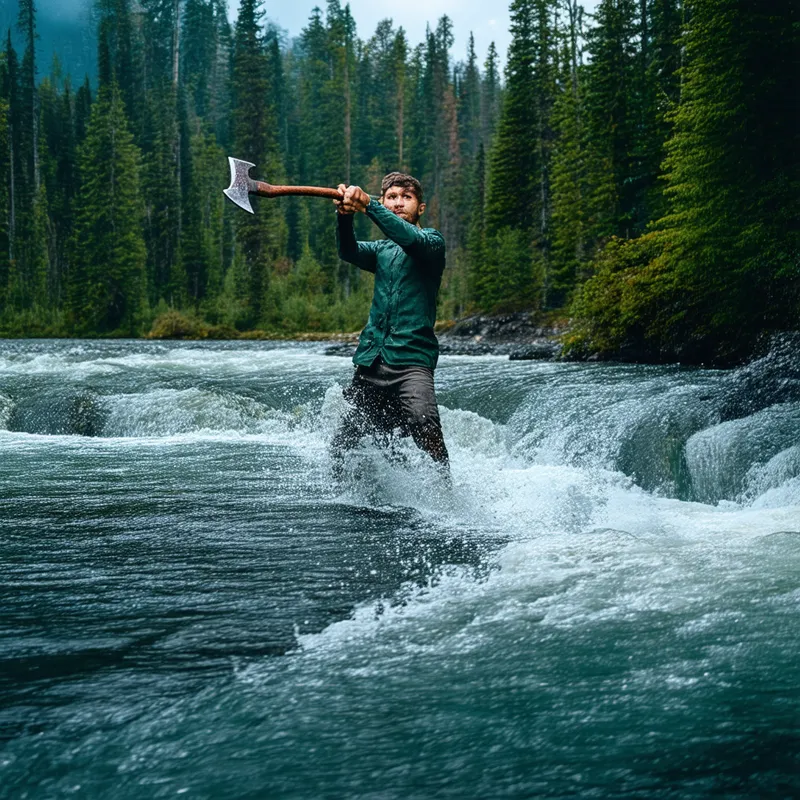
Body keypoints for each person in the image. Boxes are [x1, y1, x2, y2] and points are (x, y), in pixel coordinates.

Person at [330, 172, 449, 480]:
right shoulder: (382, 251)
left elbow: (408, 237)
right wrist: (344, 217)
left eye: (406, 198)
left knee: (424, 421)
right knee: (346, 439)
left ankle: (446, 488)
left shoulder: (432, 242)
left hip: (412, 362)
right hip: (372, 360)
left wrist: (369, 205)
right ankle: (344, 491)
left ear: (420, 208)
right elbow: (349, 251)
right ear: (385, 200)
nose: (398, 203)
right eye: (391, 197)